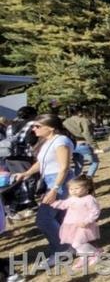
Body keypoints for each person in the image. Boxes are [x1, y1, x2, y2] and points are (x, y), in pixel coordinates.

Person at [12, 114, 76, 267]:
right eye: (34, 126)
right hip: (51, 180)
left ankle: (61, 250)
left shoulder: (61, 141)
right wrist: (26, 174)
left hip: (60, 181)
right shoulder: (48, 142)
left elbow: (64, 167)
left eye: (37, 126)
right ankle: (69, 247)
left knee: (44, 219)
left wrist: (55, 189)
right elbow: (41, 163)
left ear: (51, 127)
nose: (33, 129)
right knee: (60, 217)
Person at [50, 175, 101, 269]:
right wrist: (52, 203)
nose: (73, 191)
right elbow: (63, 204)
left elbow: (95, 211)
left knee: (77, 243)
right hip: (72, 225)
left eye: (77, 188)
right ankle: (84, 258)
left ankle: (95, 253)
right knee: (75, 243)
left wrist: (87, 221)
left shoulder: (89, 199)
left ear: (87, 188)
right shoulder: (72, 198)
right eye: (71, 189)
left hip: (84, 226)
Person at [63, 107, 99, 177]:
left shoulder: (65, 122)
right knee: (95, 162)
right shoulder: (83, 120)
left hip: (72, 145)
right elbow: (86, 134)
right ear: (79, 112)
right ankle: (88, 179)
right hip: (83, 143)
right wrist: (95, 146)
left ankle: (75, 180)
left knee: (78, 165)